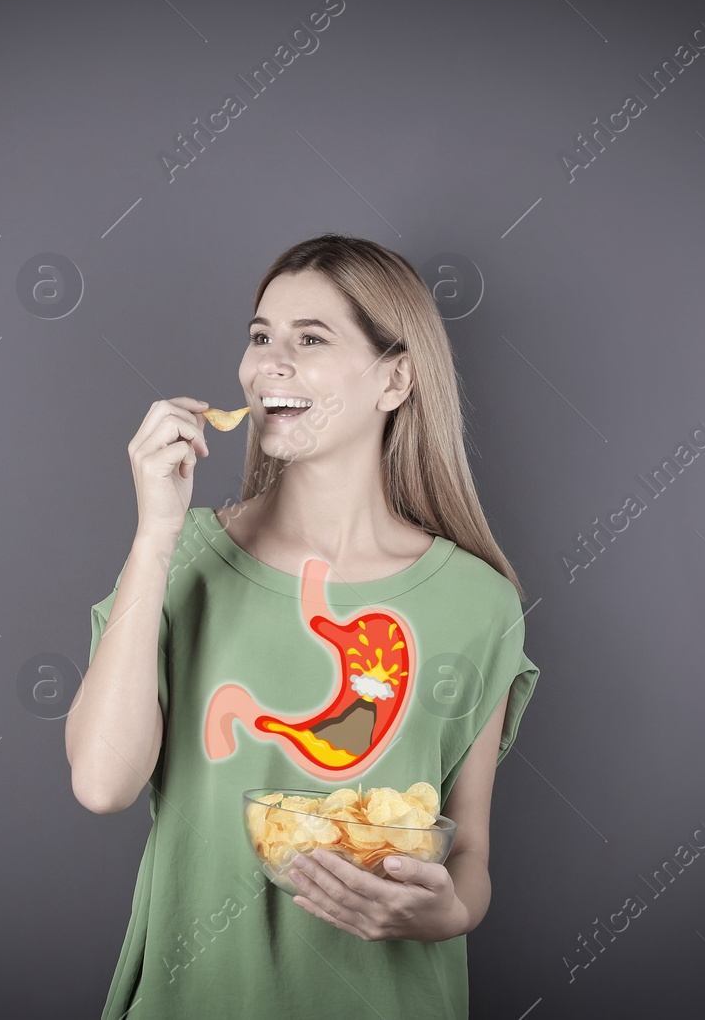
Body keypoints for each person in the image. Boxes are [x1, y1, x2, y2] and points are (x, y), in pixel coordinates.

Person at [65, 233, 541, 1019]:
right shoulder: (181, 559)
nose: (266, 365)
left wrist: (450, 910)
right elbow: (102, 782)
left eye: (309, 339)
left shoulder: (479, 604)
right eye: (259, 338)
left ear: (395, 378)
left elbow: (471, 852)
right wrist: (155, 534)